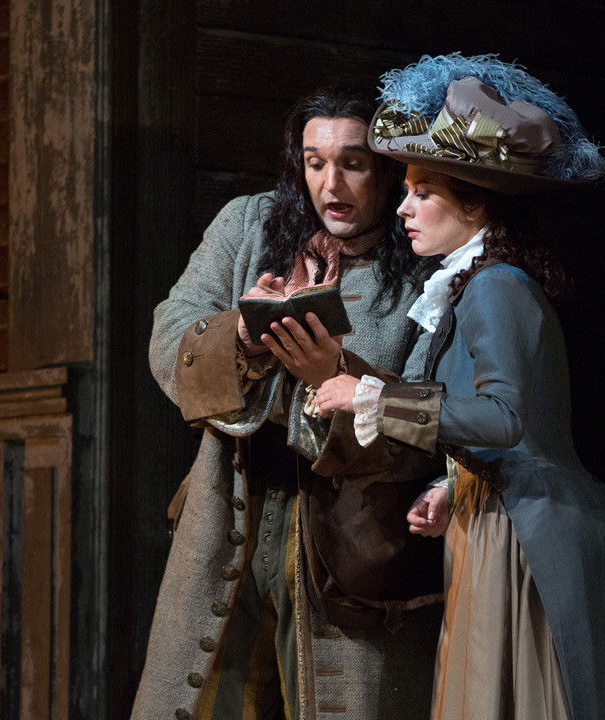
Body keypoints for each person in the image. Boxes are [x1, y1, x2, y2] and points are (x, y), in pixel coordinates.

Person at [314, 54, 605, 720]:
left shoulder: (497, 286)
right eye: (407, 190)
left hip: (530, 532)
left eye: (423, 192)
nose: (404, 208)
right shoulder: (475, 284)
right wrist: (452, 486)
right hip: (494, 518)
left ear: (474, 202)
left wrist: (368, 396)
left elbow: (506, 418)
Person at [132, 86, 442, 720]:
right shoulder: (249, 224)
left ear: (386, 170)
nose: (332, 184)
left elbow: (428, 417)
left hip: (351, 534)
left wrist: (336, 374)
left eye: (353, 163)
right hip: (232, 507)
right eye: (315, 162)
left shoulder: (422, 260)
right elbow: (170, 333)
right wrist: (242, 337)